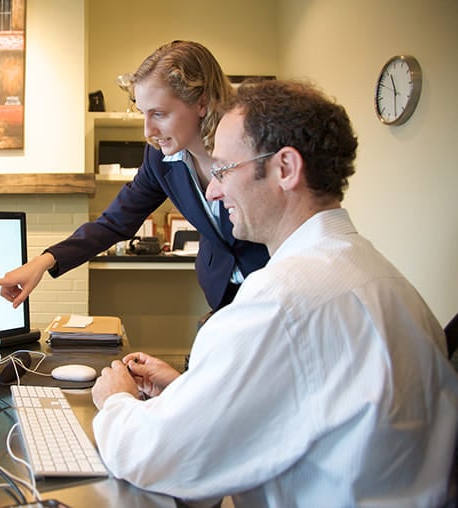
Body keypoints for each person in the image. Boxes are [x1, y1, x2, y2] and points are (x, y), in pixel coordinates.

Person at [90, 79, 458, 507]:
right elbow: (306, 403)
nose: (213, 189)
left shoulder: (283, 300)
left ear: (285, 168)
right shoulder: (384, 279)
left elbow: (155, 457)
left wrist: (115, 400)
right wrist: (190, 390)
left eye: (224, 169)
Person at [0, 41, 269, 312]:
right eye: (143, 113)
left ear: (201, 103)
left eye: (159, 114)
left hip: (274, 287)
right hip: (222, 295)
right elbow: (115, 222)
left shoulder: (254, 145)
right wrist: (43, 262)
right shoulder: (160, 159)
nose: (147, 131)